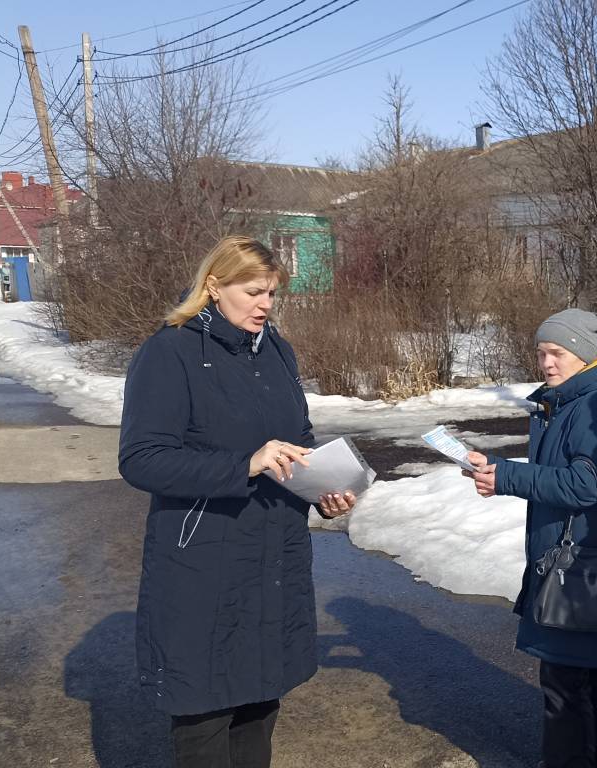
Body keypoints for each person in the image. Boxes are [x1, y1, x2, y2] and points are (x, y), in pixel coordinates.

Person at [118, 235, 356, 767]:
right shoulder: (170, 352)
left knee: (259, 702)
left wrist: (322, 491)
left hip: (273, 554)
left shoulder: (276, 350)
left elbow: (297, 439)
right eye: (253, 292)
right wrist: (244, 464)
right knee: (204, 707)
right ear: (213, 286)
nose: (265, 305)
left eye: (272, 293)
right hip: (203, 559)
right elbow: (141, 459)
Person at [464, 308, 597, 768]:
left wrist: (508, 477)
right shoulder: (566, 402)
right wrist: (499, 469)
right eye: (541, 352)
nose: (546, 363)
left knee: (567, 685)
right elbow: (560, 475)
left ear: (583, 353)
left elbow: (585, 485)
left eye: (557, 352)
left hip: (584, 568)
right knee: (587, 677)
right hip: (574, 561)